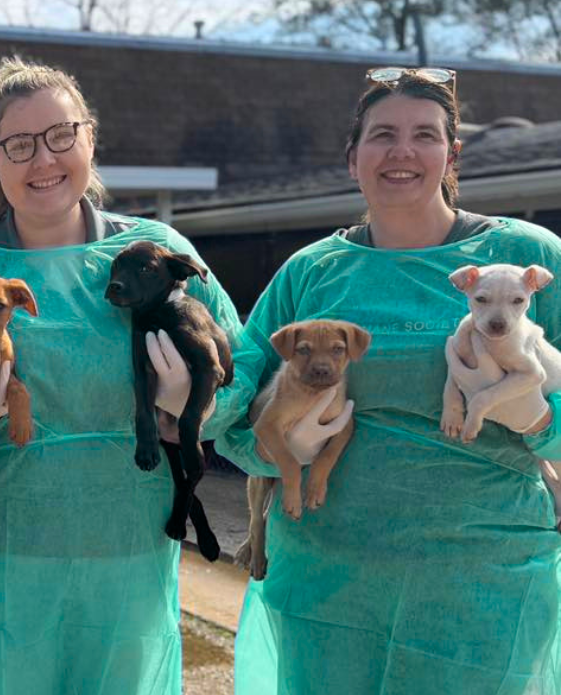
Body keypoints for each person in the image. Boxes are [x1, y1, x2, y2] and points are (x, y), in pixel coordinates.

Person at [0, 57, 243, 695]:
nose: (43, 160)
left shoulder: (149, 255)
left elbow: (244, 372)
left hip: (125, 564)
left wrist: (199, 406)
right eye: (19, 145)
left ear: (89, 137)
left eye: (60, 136)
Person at [210, 67, 561, 693]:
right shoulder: (310, 272)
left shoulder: (525, 261)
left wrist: (540, 421)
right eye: (382, 135)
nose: (402, 152)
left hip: (484, 594)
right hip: (326, 593)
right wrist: (268, 444)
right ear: (353, 158)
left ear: (452, 155)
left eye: (424, 135)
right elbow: (233, 404)